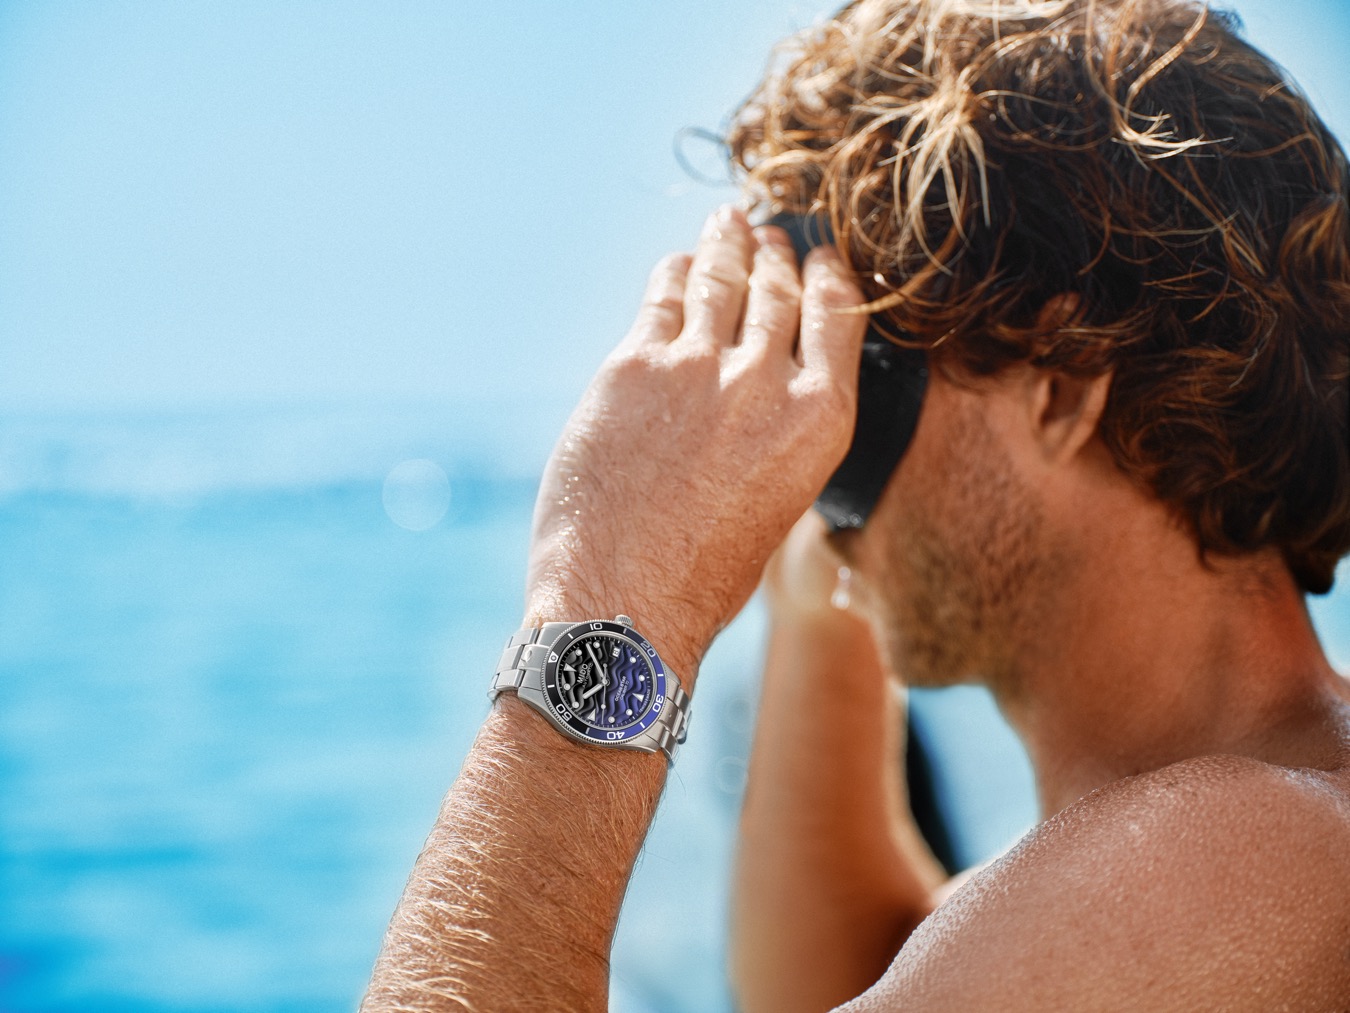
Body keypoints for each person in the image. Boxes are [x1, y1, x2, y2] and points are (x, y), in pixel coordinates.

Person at [362, 0, 1350, 1009]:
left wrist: (611, 593)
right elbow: (834, 976)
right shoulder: (1251, 836)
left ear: (1060, 387)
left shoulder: (1225, 857)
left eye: (858, 362)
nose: (819, 418)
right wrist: (820, 575)